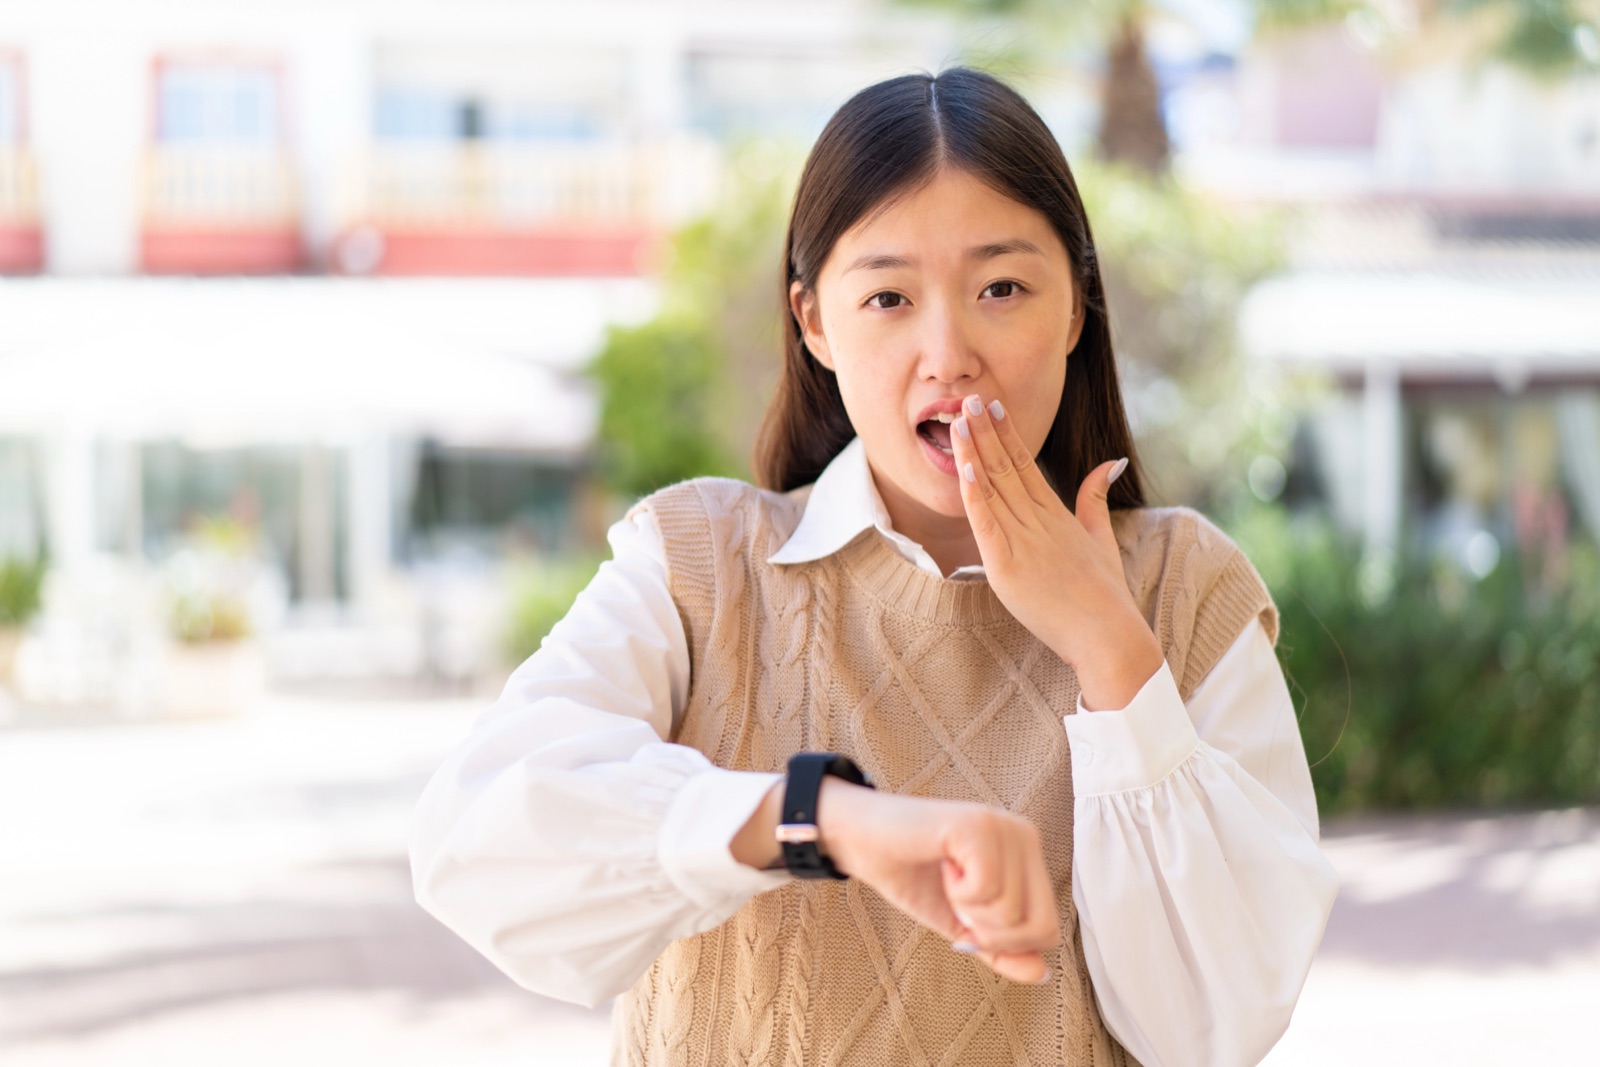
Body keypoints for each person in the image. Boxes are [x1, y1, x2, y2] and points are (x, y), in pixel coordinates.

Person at [411, 67, 1338, 1067]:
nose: (947, 352)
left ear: (1077, 308)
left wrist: (1111, 649)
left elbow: (1214, 1023)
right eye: (888, 296)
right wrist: (825, 818)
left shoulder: (1183, 586)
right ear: (815, 323)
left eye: (1002, 288)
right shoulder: (696, 567)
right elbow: (477, 836)